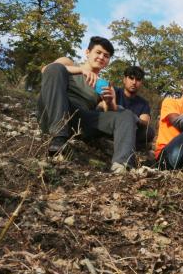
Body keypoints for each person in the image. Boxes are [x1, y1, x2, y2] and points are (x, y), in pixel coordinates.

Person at [37, 36, 137, 173]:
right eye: (98, 52)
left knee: (126, 114)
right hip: (53, 112)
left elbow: (109, 111)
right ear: (88, 52)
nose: (102, 57)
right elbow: (47, 70)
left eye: (106, 56)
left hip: (80, 121)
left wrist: (108, 101)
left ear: (108, 61)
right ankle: (59, 139)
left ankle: (122, 165)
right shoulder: (68, 63)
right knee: (56, 68)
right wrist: (81, 71)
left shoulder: (103, 84)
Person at [114, 66, 155, 150]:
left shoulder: (143, 103)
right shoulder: (115, 92)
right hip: (113, 126)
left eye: (138, 79)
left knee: (149, 132)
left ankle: (126, 144)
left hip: (132, 131)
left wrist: (133, 118)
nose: (134, 82)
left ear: (141, 82)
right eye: (131, 78)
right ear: (124, 80)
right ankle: (136, 146)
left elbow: (145, 121)